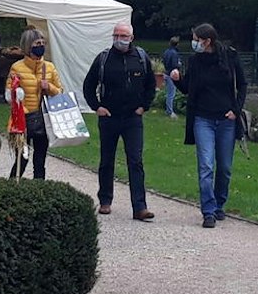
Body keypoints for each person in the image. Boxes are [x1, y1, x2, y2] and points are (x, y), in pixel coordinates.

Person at [171, 23, 246, 228]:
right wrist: (177, 79)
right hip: (202, 119)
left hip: (226, 120)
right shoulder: (195, 61)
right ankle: (208, 210)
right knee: (206, 165)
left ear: (207, 41)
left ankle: (219, 202)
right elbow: (188, 88)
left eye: (196, 39)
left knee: (225, 167)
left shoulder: (230, 57)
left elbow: (242, 84)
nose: (194, 43)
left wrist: (236, 109)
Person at [82, 22, 155, 220]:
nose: (119, 39)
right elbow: (89, 85)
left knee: (135, 160)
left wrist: (144, 106)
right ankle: (105, 200)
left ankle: (140, 207)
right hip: (109, 117)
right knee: (107, 160)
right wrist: (97, 107)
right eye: (116, 35)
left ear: (131, 38)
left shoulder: (140, 58)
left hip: (133, 117)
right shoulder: (104, 59)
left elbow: (150, 85)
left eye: (123, 36)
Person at [7, 28, 62, 179]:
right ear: (28, 45)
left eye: (43, 43)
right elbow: (9, 94)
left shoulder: (49, 67)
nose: (41, 46)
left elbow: (59, 91)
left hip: (43, 120)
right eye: (37, 43)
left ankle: (39, 187)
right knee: (22, 158)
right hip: (22, 120)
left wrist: (48, 87)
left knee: (40, 160)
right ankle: (12, 185)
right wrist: (21, 108)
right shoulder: (17, 68)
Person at [160, 36, 183, 117]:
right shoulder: (174, 53)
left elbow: (163, 61)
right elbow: (174, 65)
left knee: (168, 93)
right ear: (177, 44)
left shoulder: (166, 51)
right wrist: (179, 64)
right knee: (171, 94)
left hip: (166, 73)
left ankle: (168, 109)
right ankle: (170, 111)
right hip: (171, 75)